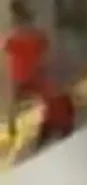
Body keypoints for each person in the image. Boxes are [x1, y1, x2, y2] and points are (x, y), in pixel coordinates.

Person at [3, 1, 48, 134]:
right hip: (33, 72)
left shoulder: (14, 36)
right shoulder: (33, 33)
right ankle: (45, 121)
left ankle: (12, 128)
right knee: (41, 96)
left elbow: (7, 45)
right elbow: (43, 44)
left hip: (19, 75)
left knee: (15, 102)